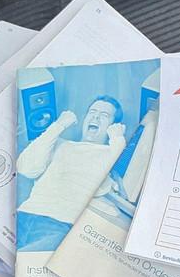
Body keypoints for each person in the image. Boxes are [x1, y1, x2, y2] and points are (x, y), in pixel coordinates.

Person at [16, 96, 126, 251]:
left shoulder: (109, 154)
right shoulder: (60, 144)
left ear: (113, 126)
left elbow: (103, 184)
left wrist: (118, 139)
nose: (95, 117)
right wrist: (58, 126)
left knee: (25, 261)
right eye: (92, 112)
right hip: (23, 214)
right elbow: (26, 168)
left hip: (57, 225)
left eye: (104, 115)